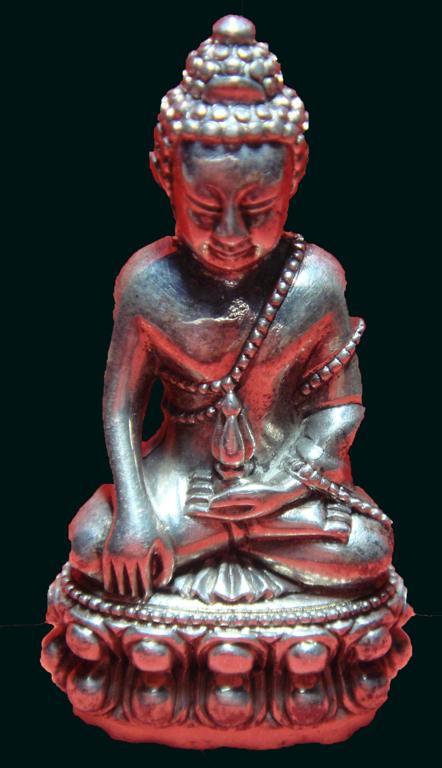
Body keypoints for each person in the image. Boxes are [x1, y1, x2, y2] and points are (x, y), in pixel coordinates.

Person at [69, 15, 392, 601]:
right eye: (204, 209)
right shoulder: (147, 283)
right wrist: (135, 513)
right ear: (164, 176)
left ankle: (214, 543)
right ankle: (228, 540)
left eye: (259, 208)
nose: (231, 234)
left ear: (295, 174)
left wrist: (279, 490)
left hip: (284, 483)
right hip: (179, 480)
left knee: (369, 551)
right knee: (93, 542)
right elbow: (120, 409)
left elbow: (338, 411)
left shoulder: (315, 281)